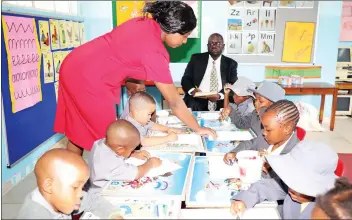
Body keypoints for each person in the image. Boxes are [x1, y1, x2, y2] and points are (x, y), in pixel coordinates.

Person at [54, 1, 216, 156]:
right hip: (89, 77)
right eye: (185, 35)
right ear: (172, 29)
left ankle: (69, 177)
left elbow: (124, 53)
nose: (185, 41)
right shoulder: (155, 52)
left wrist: (132, 80)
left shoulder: (144, 22)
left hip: (75, 63)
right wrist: (197, 128)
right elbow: (174, 101)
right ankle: (107, 176)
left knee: (79, 131)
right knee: (112, 138)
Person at [230, 140, 338, 219]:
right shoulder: (291, 187)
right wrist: (244, 200)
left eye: (298, 185)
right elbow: (265, 187)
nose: (290, 188)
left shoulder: (329, 212)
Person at [16, 149, 121, 219]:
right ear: (49, 186)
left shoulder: (63, 198)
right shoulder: (34, 215)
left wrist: (114, 215)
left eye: (82, 187)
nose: (80, 194)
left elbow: (93, 201)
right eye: (75, 187)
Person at [87, 120, 162, 192]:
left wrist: (133, 154)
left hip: (92, 183)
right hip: (101, 192)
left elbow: (118, 152)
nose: (132, 151)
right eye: (131, 149)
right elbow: (137, 173)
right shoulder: (112, 164)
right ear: (120, 150)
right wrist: (151, 163)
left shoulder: (100, 143)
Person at [223, 81, 285, 162]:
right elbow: (242, 124)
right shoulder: (255, 113)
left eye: (261, 101)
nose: (256, 103)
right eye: (256, 99)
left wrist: (236, 151)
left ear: (273, 104)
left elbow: (258, 142)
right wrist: (231, 111)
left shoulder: (278, 125)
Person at [181, 33, 238, 111]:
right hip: (198, 98)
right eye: (211, 43)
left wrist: (220, 95)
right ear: (207, 46)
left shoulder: (231, 63)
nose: (214, 45)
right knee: (191, 104)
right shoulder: (196, 59)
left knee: (228, 108)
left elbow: (233, 83)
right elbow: (186, 78)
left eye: (217, 43)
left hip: (221, 100)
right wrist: (192, 90)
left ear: (223, 46)